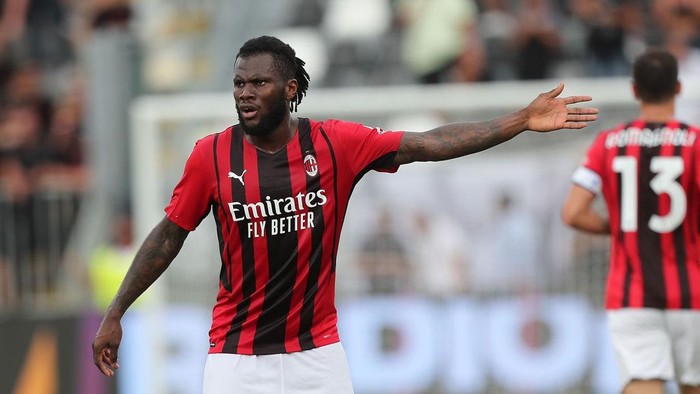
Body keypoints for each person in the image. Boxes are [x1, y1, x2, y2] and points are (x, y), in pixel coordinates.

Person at [92, 35, 598, 393]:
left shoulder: (335, 144)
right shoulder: (211, 156)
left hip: (319, 359)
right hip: (236, 362)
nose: (245, 93)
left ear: (290, 90)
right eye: (239, 83)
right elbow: (167, 236)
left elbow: (429, 144)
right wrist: (116, 311)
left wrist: (521, 120)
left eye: (259, 83)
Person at [561, 48, 700, 394]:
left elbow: (573, 213)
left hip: (631, 292)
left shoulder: (608, 143)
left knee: (641, 382)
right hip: (692, 291)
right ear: (679, 88)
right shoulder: (696, 143)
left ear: (634, 90)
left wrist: (621, 226)